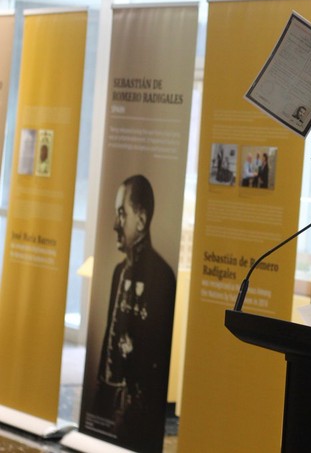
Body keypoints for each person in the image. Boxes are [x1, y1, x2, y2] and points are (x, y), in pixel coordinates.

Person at [91, 174, 177, 452]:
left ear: (140, 220)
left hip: (136, 419)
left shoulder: (163, 278)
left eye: (121, 214)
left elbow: (156, 356)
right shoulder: (119, 272)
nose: (115, 224)